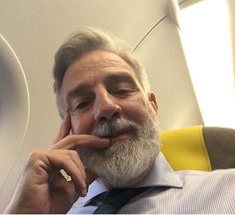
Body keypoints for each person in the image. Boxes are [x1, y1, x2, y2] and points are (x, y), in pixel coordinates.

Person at [3, 27, 235, 214]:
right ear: (68, 129)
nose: (105, 107)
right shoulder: (51, 210)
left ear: (152, 105)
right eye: (83, 103)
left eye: (122, 90)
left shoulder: (228, 191)